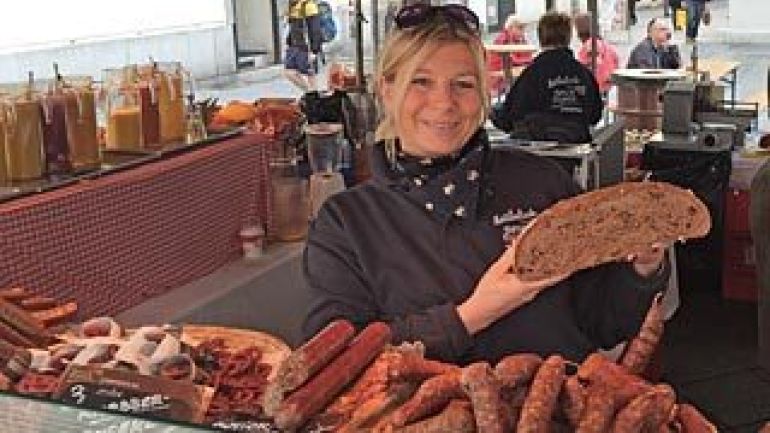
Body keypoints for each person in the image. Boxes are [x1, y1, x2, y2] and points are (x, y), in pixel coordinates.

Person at [302, 3, 670, 364]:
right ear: (386, 89)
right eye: (421, 81)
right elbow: (336, 364)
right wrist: (472, 315)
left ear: (483, 94)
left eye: (462, 84)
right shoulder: (347, 223)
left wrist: (642, 269)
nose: (444, 102)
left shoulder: (542, 181)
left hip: (564, 399)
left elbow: (602, 321)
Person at [489, 12, 603, 144]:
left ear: (540, 37)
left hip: (537, 151)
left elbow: (508, 118)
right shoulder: (584, 74)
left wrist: (491, 111)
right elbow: (595, 115)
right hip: (577, 148)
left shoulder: (532, 75)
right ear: (569, 37)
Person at [487, 14, 533, 97]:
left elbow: (527, 54)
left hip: (510, 71)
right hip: (499, 76)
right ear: (511, 28)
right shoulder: (503, 39)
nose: (523, 31)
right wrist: (530, 60)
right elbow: (512, 60)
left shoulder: (519, 39)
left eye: (523, 28)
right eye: (520, 28)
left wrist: (529, 60)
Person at [573, 13, 620, 94]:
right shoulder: (607, 46)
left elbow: (593, 67)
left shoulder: (590, 45)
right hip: (605, 89)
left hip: (594, 90)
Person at [284, 0, 324, 92]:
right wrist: (288, 42)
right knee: (289, 72)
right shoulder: (294, 5)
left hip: (306, 47)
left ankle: (312, 94)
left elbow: (315, 30)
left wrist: (314, 51)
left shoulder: (309, 6)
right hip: (294, 46)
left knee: (310, 74)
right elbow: (293, 28)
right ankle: (310, 93)